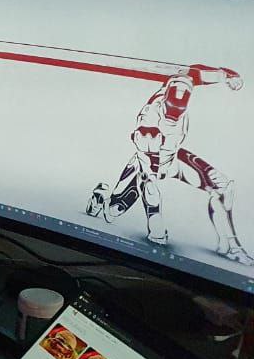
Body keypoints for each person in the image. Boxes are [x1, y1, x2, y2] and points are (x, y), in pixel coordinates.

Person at [85, 63, 253, 265]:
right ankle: (101, 197)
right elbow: (147, 169)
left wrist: (226, 75)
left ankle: (231, 246)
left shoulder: (178, 85)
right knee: (113, 212)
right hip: (147, 165)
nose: (174, 117)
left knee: (222, 187)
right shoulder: (148, 121)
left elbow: (194, 73)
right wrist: (155, 218)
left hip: (173, 159)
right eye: (170, 112)